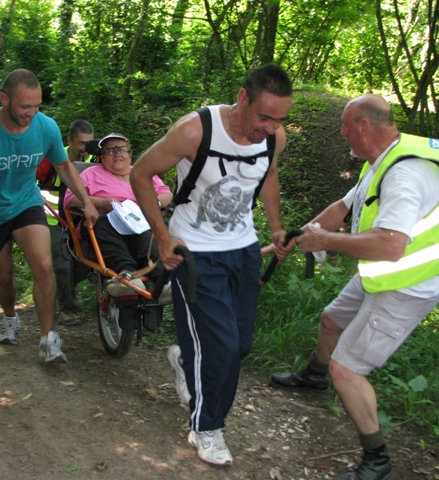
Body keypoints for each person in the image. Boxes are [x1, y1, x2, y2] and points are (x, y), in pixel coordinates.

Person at [269, 94, 439, 480]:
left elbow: (390, 245)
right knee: (331, 320)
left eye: (344, 125)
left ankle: (377, 459)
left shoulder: (405, 174)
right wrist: (296, 235)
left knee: (348, 370)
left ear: (363, 127)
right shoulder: (386, 158)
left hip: (408, 284)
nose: (340, 132)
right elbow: (341, 210)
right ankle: (313, 376)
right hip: (385, 273)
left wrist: (324, 242)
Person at [130, 64, 293, 466]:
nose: (270, 127)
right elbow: (140, 173)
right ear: (242, 98)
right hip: (196, 252)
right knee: (221, 347)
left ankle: (187, 360)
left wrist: (275, 229)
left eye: (279, 119)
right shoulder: (195, 130)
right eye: (264, 117)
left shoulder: (274, 138)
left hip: (244, 249)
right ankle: (206, 426)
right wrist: (164, 238)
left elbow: (268, 174)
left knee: (240, 345)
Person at [0, 68, 98, 363]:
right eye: (24, 106)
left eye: (37, 106)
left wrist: (87, 201)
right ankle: (11, 318)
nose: (31, 113)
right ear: (5, 100)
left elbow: (64, 166)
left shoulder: (46, 127)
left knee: (42, 264)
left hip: (26, 203)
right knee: (4, 275)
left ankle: (48, 339)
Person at [64, 132, 172, 295]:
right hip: (104, 221)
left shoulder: (142, 172)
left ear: (130, 154)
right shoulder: (90, 174)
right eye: (110, 151)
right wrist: (103, 203)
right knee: (102, 222)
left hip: (139, 220)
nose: (117, 154)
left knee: (147, 232)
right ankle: (126, 275)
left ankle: (164, 283)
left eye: (121, 149)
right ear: (102, 156)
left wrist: (152, 203)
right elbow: (70, 199)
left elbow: (167, 195)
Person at [39, 119, 95, 326]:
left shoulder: (94, 160)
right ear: (69, 140)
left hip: (80, 221)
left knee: (87, 262)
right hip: (52, 219)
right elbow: (31, 182)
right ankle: (66, 310)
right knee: (62, 266)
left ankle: (69, 293)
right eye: (81, 143)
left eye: (88, 143)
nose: (84, 148)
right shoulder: (51, 159)